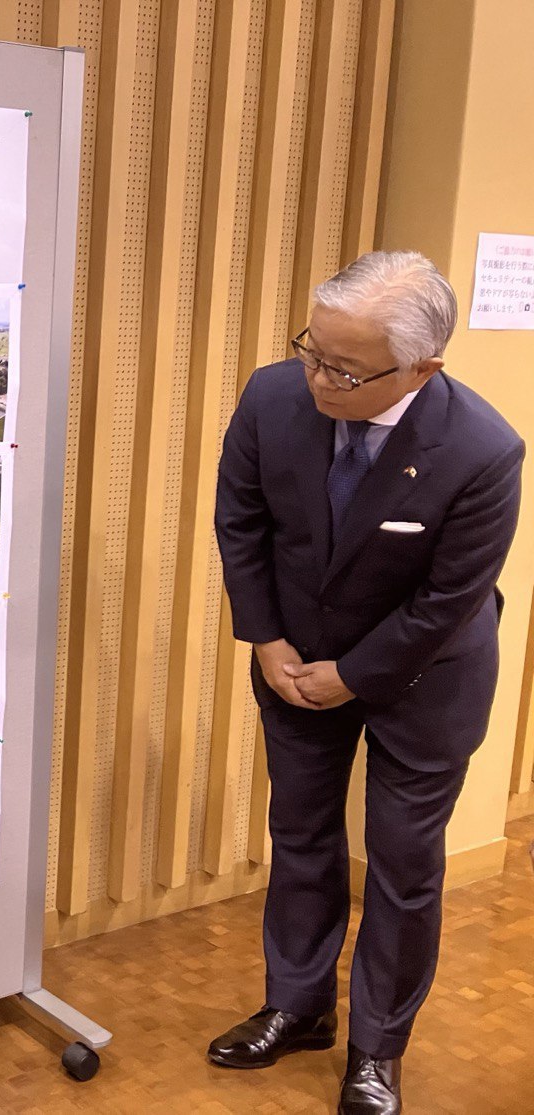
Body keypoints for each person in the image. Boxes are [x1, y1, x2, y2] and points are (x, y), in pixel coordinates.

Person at [211, 250, 523, 1114]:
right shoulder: (272, 396)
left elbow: (448, 600)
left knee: (401, 864)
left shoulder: (483, 449)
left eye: (345, 370)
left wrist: (352, 675)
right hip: (294, 661)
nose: (319, 377)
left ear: (423, 369)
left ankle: (378, 1049)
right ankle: (298, 1004)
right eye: (313, 350)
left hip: (424, 679)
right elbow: (241, 521)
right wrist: (266, 639)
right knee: (300, 834)